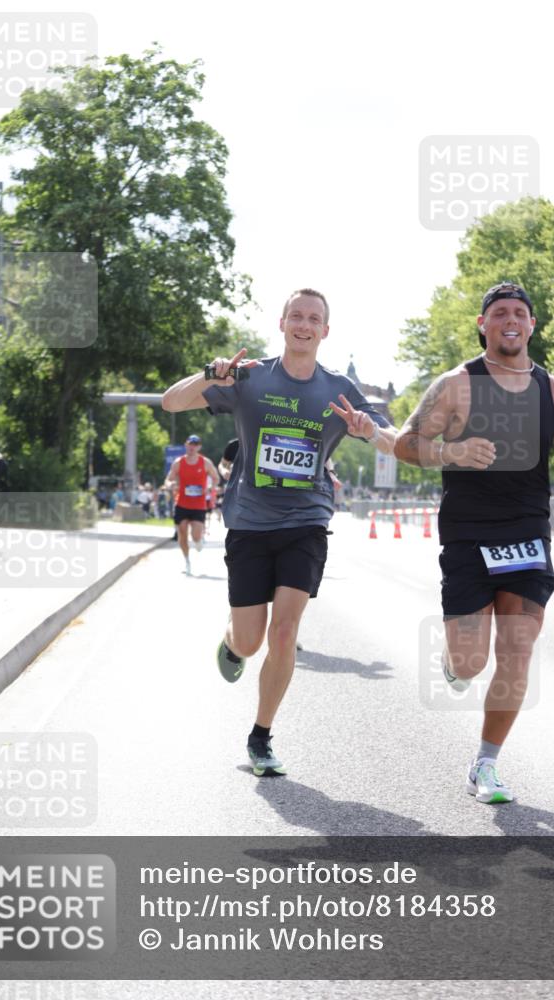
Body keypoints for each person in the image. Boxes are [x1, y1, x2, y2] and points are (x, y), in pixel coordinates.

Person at [163, 288, 396, 776]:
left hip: (306, 522)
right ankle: (232, 643)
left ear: (325, 331)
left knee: (285, 631)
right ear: (282, 322)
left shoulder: (337, 389)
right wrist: (212, 373)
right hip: (248, 521)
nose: (304, 324)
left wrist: (368, 431)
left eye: (314, 318)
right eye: (297, 316)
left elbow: (393, 441)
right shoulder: (249, 377)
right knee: (250, 641)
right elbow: (171, 401)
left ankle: (261, 736)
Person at [394, 281, 554, 804]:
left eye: (520, 313)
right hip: (468, 535)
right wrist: (455, 452)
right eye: (500, 313)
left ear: (532, 325)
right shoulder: (457, 385)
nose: (511, 320)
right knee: (470, 662)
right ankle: (453, 662)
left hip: (527, 533)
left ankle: (485, 763)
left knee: (518, 649)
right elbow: (405, 444)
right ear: (484, 325)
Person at [165, 435, 219, 575]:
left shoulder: (205, 462)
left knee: (195, 536)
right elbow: (168, 479)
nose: (192, 447)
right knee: (182, 532)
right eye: (190, 444)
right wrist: (170, 484)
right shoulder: (178, 462)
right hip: (181, 503)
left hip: (198, 505)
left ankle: (199, 539)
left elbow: (216, 478)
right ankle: (187, 561)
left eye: (195, 445)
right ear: (186, 445)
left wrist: (210, 488)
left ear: (199, 447)